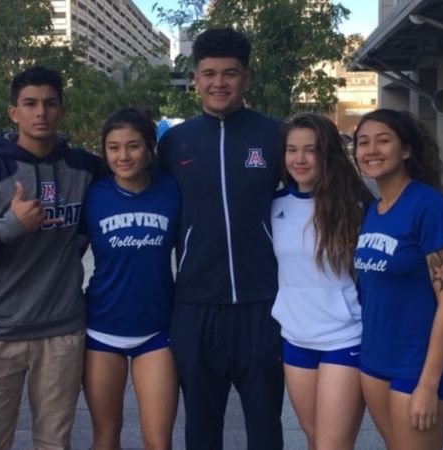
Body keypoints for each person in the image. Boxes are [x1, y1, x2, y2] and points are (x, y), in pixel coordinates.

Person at [0, 66, 104, 450]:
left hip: (62, 332)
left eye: (50, 103)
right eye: (30, 104)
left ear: (62, 110)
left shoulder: (85, 168)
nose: (40, 112)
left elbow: (134, 174)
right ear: (14, 112)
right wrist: (8, 227)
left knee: (54, 443)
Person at [157, 27, 284, 450]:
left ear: (246, 77)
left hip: (263, 303)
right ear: (195, 78)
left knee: (265, 427)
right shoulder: (174, 142)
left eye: (229, 73)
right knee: (201, 428)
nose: (219, 83)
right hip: (195, 305)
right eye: (209, 73)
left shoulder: (274, 135)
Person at [353, 109, 443, 450]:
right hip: (373, 361)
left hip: (415, 365)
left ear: (405, 150)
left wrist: (428, 384)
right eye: (363, 143)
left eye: (383, 141)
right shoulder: (371, 211)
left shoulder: (429, 206)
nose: (371, 150)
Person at [271, 113, 373, 450]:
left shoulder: (355, 207)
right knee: (314, 438)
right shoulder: (274, 205)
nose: (299, 159)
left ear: (326, 153)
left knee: (332, 444)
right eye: (292, 150)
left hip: (344, 338)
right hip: (295, 338)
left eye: (310, 150)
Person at [82, 107, 180, 450]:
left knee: (158, 441)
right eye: (113, 147)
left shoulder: (171, 190)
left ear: (150, 149)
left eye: (133, 146)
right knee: (106, 435)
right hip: (102, 329)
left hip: (156, 330)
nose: (123, 156)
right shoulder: (93, 195)